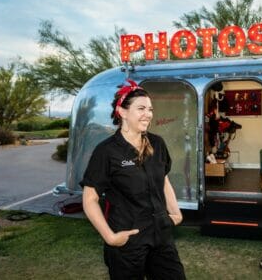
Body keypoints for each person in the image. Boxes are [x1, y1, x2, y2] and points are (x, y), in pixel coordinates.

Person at [79, 79, 186, 280]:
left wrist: (175, 212)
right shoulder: (107, 151)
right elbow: (89, 199)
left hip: (161, 234)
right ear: (122, 112)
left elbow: (163, 180)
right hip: (128, 239)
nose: (148, 114)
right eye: (141, 108)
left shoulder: (157, 143)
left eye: (150, 109)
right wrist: (110, 237)